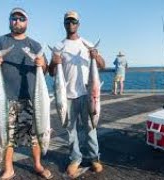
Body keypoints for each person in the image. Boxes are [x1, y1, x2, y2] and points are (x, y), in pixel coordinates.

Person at [0, 7, 53, 180]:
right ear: (10, 20)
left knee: (35, 135)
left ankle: (37, 165)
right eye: (14, 18)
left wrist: (42, 63)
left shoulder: (34, 45)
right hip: (5, 100)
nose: (17, 22)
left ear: (27, 22)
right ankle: (8, 169)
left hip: (31, 98)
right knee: (7, 136)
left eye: (21, 19)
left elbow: (46, 70)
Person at [48, 10, 106, 178]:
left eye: (73, 22)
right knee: (70, 130)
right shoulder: (59, 47)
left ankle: (94, 157)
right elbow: (52, 73)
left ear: (78, 24)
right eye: (68, 22)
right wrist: (54, 62)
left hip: (87, 94)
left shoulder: (87, 43)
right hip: (66, 96)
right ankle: (75, 159)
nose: (71, 24)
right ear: (64, 24)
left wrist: (95, 56)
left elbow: (102, 65)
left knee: (90, 128)